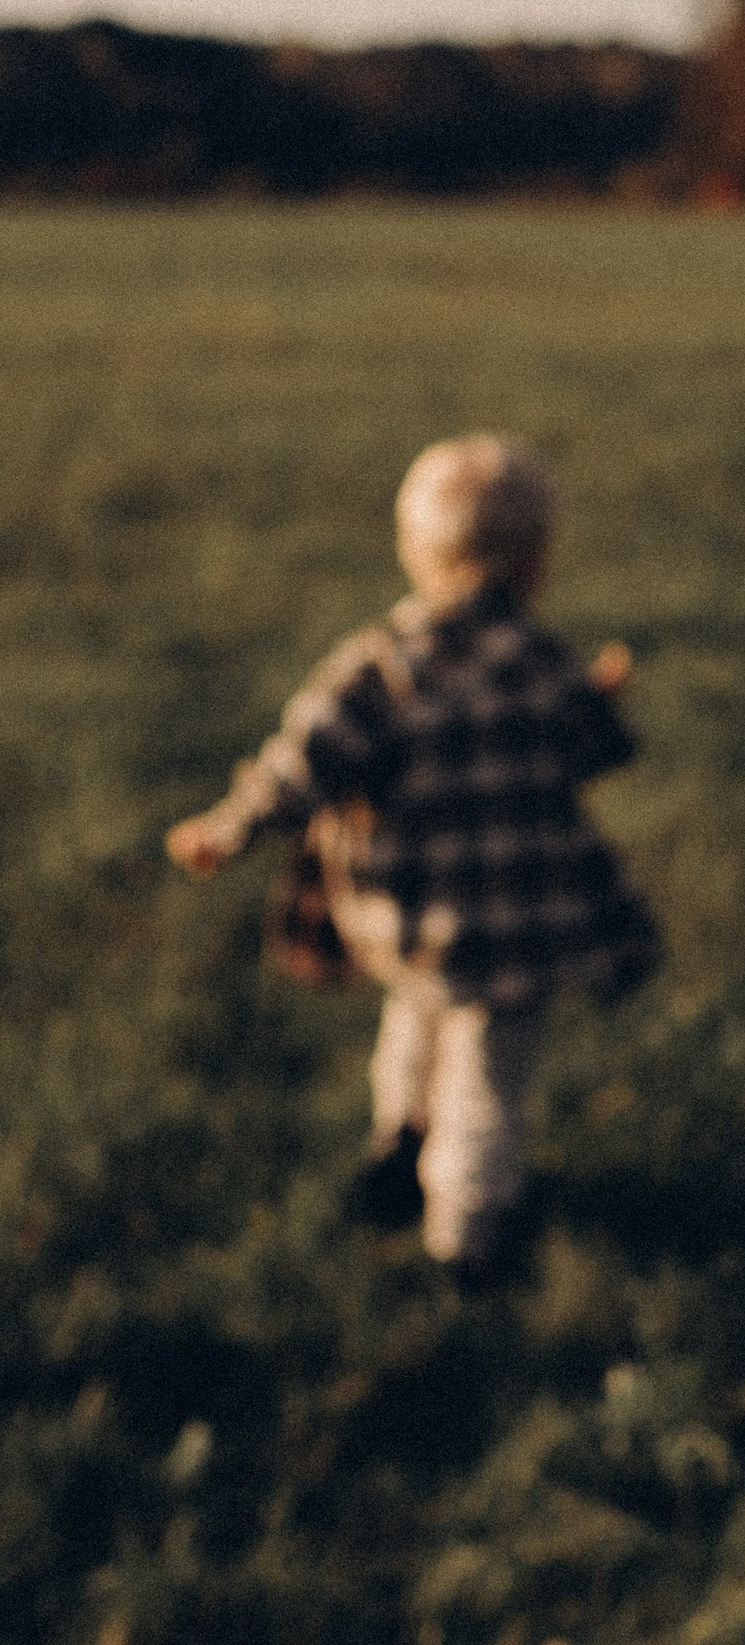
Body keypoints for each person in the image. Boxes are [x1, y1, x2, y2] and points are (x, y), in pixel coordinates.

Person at [165, 434, 657, 1283]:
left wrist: (228, 826)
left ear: (415, 552)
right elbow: (599, 750)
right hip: (516, 928)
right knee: (489, 1087)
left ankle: (401, 1145)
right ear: (536, 564)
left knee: (414, 1021)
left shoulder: (377, 667)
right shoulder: (543, 663)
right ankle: (469, 1235)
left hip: (407, 919)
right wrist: (599, 696)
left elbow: (299, 767)